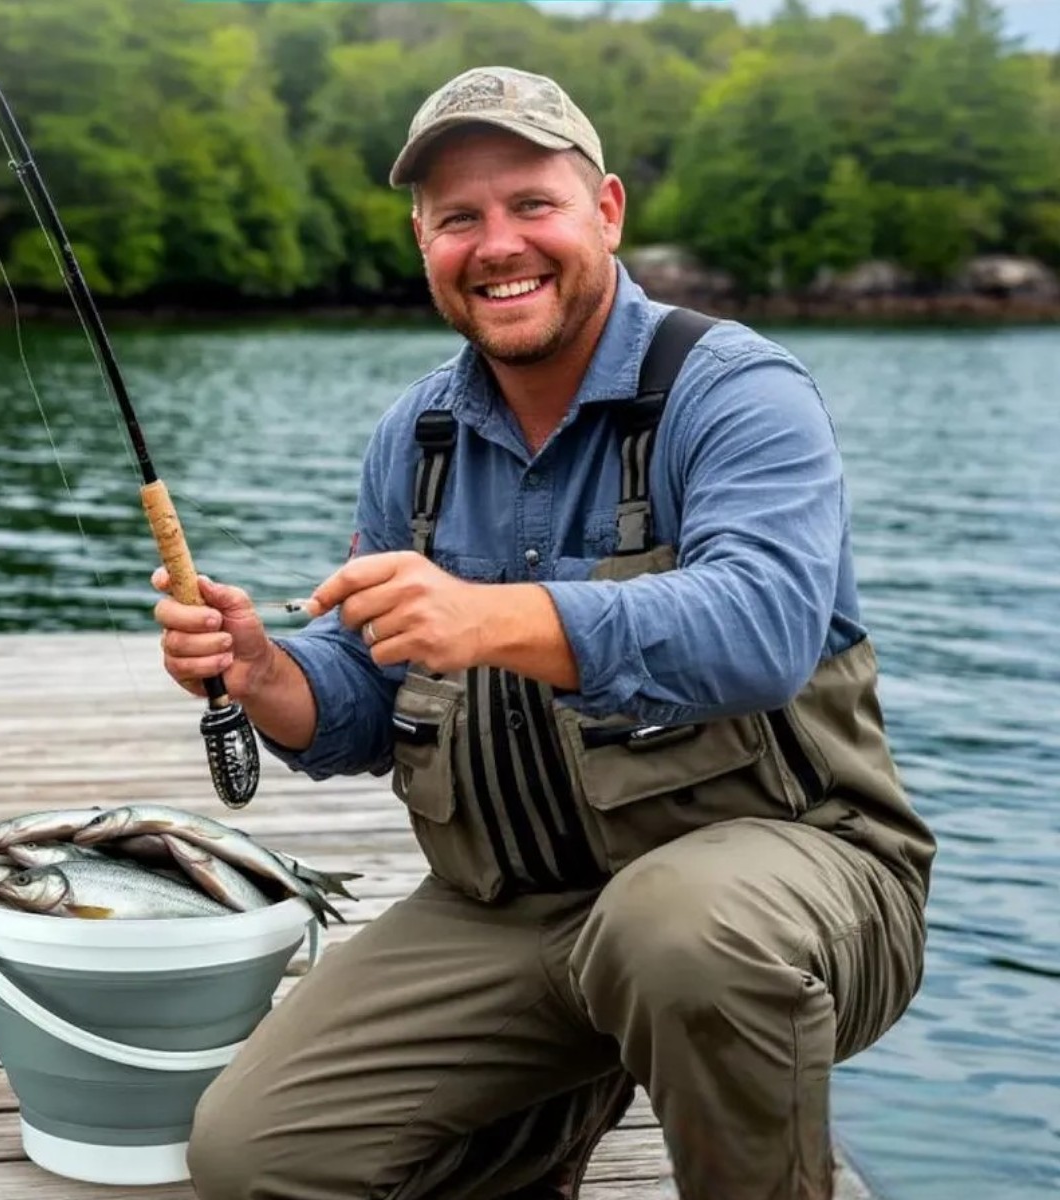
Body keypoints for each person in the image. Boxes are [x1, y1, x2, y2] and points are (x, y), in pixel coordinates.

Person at [153, 66, 935, 1200]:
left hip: (802, 878)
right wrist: (264, 670)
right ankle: (541, 1127)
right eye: (458, 218)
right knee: (251, 1159)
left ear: (606, 211)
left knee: (673, 938)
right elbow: (369, 698)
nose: (498, 245)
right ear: (422, 242)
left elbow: (763, 627)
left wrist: (495, 616)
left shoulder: (739, 391)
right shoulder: (414, 438)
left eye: (533, 204)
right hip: (513, 905)